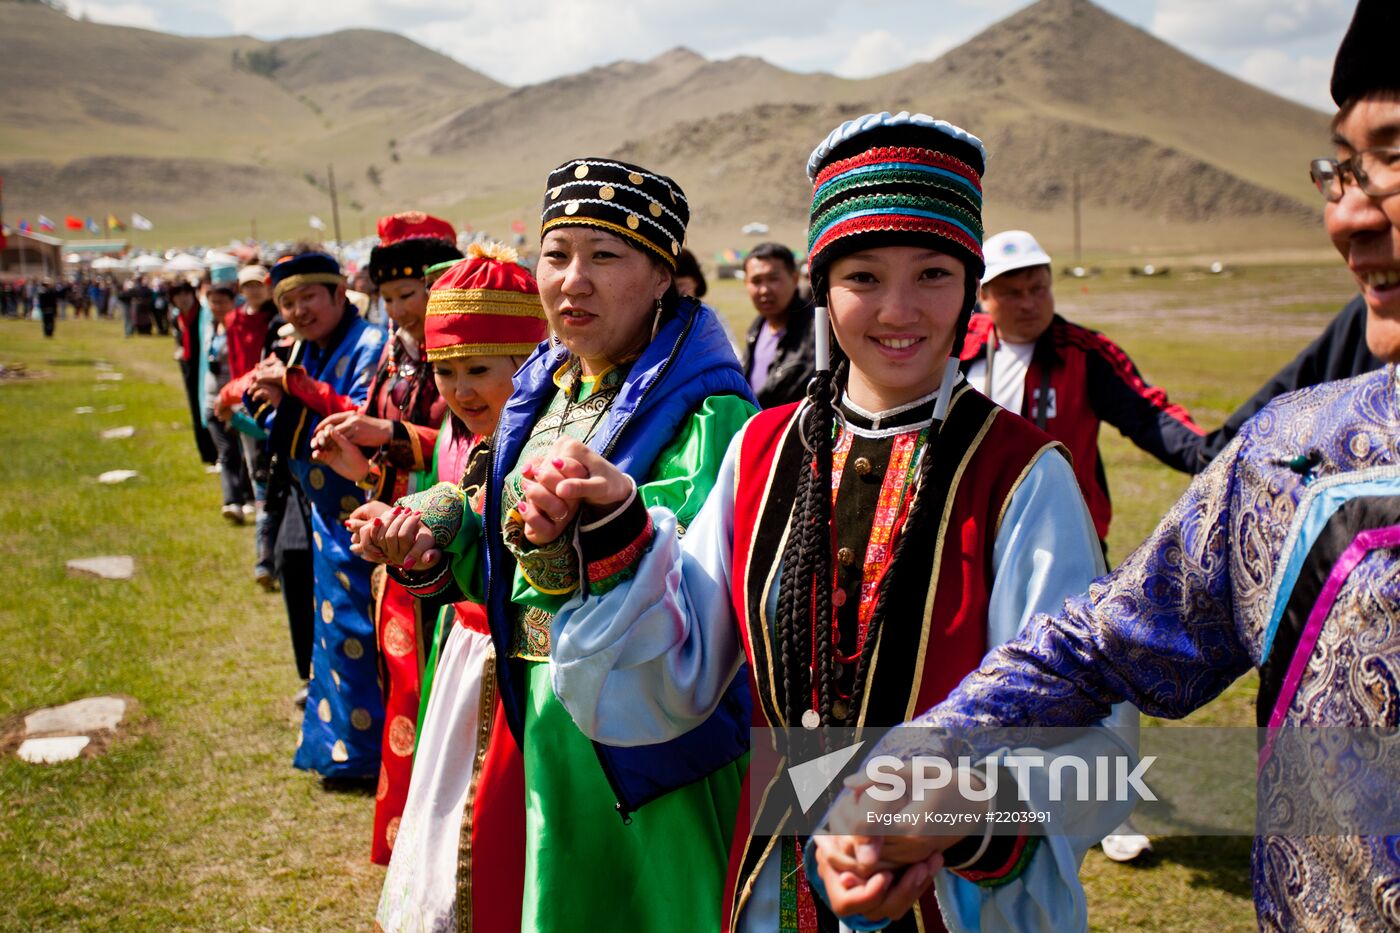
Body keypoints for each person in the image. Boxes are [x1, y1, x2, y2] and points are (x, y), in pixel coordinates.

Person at [813, 4, 1400, 928]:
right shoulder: (1306, 456)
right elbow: (1090, 649)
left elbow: (1153, 419)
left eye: (1395, 158)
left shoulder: (1082, 364)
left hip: (1066, 531)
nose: (1349, 213)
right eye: (1343, 167)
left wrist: (1208, 459)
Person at [542, 112, 1131, 932]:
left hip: (961, 901)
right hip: (778, 893)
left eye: (932, 273)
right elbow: (674, 678)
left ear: (969, 289)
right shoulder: (760, 451)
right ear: (824, 287)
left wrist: (952, 815)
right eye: (862, 276)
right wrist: (614, 532)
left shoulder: (1021, 474)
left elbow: (1094, 737)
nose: (899, 309)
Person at [359, 158, 758, 931]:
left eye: (604, 256)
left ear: (663, 275)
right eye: (557, 253)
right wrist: (430, 536)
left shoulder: (712, 414)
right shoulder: (550, 390)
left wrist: (590, 535)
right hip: (540, 720)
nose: (573, 280)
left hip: (647, 740)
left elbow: (691, 583)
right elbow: (505, 556)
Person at [363, 242, 546, 930]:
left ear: (528, 365)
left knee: (504, 827)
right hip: (462, 654)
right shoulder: (456, 435)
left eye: (479, 370)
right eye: (446, 371)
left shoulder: (544, 445)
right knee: (452, 824)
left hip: (517, 666)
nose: (462, 390)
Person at [308, 211, 461, 864]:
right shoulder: (398, 355)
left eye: (412, 294)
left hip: (448, 550)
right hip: (403, 540)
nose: (400, 309)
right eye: (391, 297)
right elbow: (445, 459)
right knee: (409, 684)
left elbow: (470, 457)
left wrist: (389, 439)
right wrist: (366, 467)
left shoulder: (459, 350)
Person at [961, 229, 1204, 548]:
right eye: (1012, 293)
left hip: (1066, 537)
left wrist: (1212, 454)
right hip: (976, 536)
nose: (1029, 304)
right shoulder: (959, 346)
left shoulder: (1083, 353)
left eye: (1038, 289)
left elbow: (1149, 416)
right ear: (983, 296)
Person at [248, 250, 387, 779]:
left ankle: (371, 756)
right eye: (287, 302)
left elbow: (357, 420)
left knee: (365, 632)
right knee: (333, 632)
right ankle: (344, 751)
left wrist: (292, 388)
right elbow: (285, 422)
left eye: (308, 296)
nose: (299, 310)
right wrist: (272, 398)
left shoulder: (370, 346)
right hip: (325, 515)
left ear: (337, 293)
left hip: (363, 510)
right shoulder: (305, 346)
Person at [1190, 295, 1384, 470]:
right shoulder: (1370, 310)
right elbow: (1289, 395)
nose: (1355, 257)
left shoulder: (1374, 307)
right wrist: (1213, 455)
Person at [741, 241, 818, 407]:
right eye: (756, 281)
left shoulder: (817, 331)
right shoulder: (757, 327)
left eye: (773, 279)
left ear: (795, 278)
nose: (764, 290)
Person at [204, 284, 254, 524]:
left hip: (236, 400)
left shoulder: (239, 326)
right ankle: (233, 501)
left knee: (241, 452)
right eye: (212, 302)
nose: (217, 307)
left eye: (221, 301)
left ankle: (244, 497)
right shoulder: (209, 327)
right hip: (212, 400)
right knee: (227, 452)